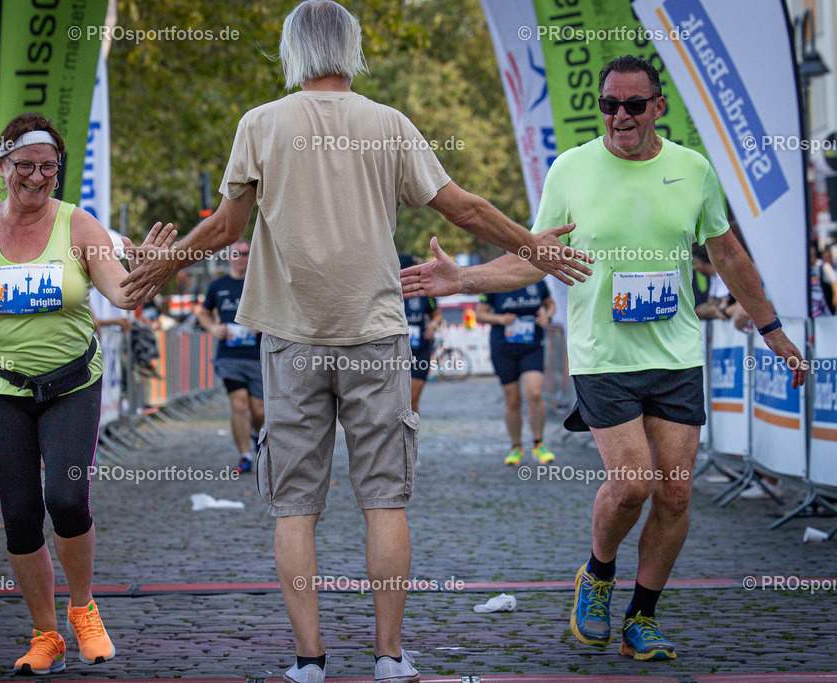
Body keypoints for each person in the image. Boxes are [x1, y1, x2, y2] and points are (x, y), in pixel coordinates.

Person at [119, 3, 590, 681]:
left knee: (294, 505)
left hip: (290, 339)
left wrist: (162, 266)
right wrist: (529, 244)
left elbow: (225, 228)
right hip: (375, 334)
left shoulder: (261, 124)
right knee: (385, 500)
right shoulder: (387, 124)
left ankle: (309, 660)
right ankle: (389, 657)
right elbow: (462, 207)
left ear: (291, 52)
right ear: (353, 48)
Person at [401, 54, 804, 662]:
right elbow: (534, 256)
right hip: (602, 355)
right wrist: (463, 279)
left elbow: (728, 256)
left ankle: (641, 618)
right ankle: (598, 575)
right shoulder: (571, 170)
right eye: (610, 104)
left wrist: (772, 328)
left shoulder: (692, 171)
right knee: (633, 484)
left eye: (633, 105)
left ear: (657, 108)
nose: (620, 116)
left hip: (674, 353)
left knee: (674, 494)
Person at [0, 112, 175, 676]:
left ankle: (83, 610)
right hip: (0, 386)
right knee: (21, 515)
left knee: (68, 500)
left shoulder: (78, 226)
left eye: (48, 167)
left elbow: (121, 294)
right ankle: (45, 633)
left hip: (72, 382)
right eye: (25, 165)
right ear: (2, 167)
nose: (37, 177)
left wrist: (148, 271)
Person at [195, 240, 264, 474]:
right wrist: (213, 328)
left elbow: (280, 310)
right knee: (238, 403)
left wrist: (263, 326)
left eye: (245, 253)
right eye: (236, 253)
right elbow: (203, 313)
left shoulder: (261, 284)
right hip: (229, 357)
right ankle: (244, 455)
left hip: (258, 357)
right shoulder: (218, 286)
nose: (241, 257)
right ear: (229, 256)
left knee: (259, 410)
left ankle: (257, 435)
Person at [476, 281, 555, 466]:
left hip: (532, 346)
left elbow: (550, 304)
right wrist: (500, 319)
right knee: (512, 400)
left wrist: (547, 315)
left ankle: (538, 443)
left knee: (534, 393)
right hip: (503, 348)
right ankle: (516, 447)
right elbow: (480, 313)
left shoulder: (536, 278)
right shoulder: (495, 279)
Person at [399, 254, 441, 414]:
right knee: (395, 402)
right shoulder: (389, 293)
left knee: (412, 399)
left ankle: (411, 437)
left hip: (420, 350)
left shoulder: (423, 292)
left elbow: (437, 315)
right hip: (395, 353)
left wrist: (433, 325)